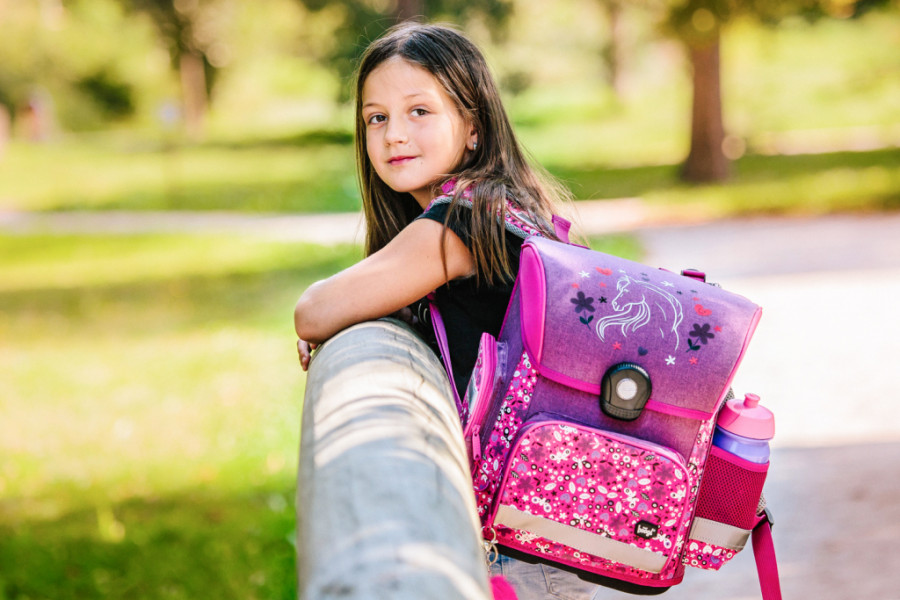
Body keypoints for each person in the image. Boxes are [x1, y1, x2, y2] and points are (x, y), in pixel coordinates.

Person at [294, 22, 608, 600]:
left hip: (519, 553)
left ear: (473, 127)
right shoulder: (505, 206)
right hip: (539, 535)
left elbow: (312, 311)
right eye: (376, 118)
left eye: (419, 111)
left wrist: (338, 316)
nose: (394, 134)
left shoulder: (460, 221)